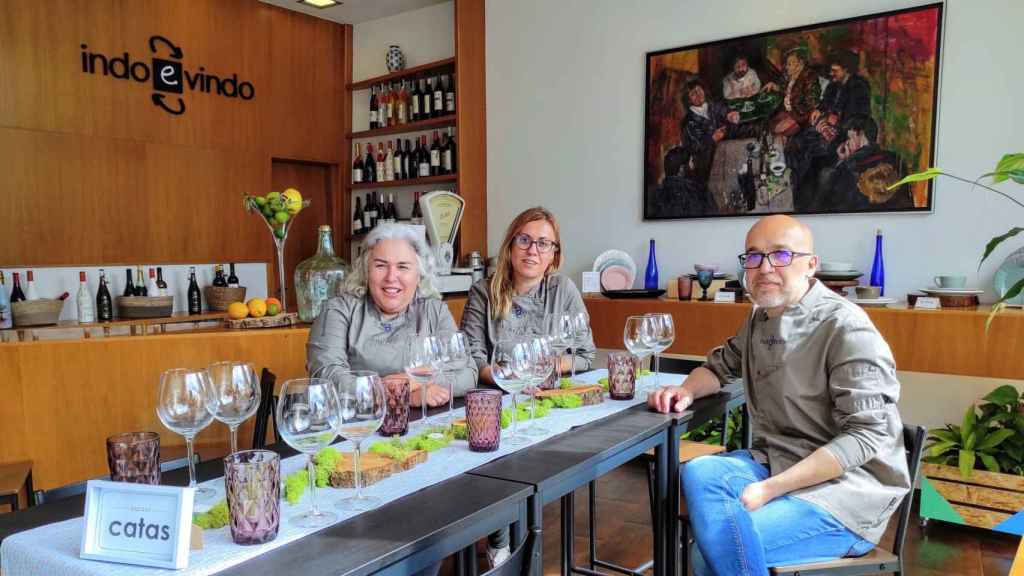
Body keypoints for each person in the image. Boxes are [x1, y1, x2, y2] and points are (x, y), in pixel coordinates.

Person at [649, 215, 910, 575]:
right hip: (779, 461)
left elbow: (867, 435)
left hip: (846, 495)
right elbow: (717, 366)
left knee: (707, 555)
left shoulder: (846, 327)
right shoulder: (760, 318)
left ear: (811, 265)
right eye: (754, 257)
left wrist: (771, 489)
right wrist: (685, 389)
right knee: (699, 471)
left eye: (781, 255)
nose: (765, 267)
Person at [460, 206, 595, 565]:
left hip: (547, 401)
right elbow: (471, 359)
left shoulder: (562, 290)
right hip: (497, 401)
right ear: (510, 245)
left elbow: (584, 354)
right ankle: (501, 545)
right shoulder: (482, 292)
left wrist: (549, 367)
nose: (532, 250)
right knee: (498, 454)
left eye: (543, 243)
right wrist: (510, 379)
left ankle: (511, 541)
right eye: (524, 240)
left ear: (554, 254)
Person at [307, 222, 477, 410]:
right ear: (366, 269)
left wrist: (412, 380)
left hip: (420, 427)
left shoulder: (434, 310)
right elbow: (326, 376)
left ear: (419, 274)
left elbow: (467, 373)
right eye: (381, 265)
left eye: (403, 267)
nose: (391, 277)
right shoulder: (338, 310)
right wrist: (405, 394)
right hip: (355, 426)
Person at [813, 115, 910, 212]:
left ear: (859, 133)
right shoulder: (892, 156)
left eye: (850, 138)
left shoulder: (851, 168)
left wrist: (844, 162)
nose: (846, 142)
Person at [679, 79, 747, 183]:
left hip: (722, 148)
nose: (698, 94)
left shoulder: (710, 105)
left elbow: (722, 109)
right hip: (705, 161)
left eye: (699, 89)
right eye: (693, 93)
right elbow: (695, 147)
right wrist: (712, 139)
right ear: (688, 100)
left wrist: (730, 115)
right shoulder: (688, 122)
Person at [762, 48, 820, 138]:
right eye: (787, 64)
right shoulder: (792, 76)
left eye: (789, 64)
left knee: (776, 132)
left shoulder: (810, 77)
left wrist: (792, 115)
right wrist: (775, 86)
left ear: (800, 64)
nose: (786, 67)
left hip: (799, 117)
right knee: (768, 125)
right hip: (788, 111)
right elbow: (788, 90)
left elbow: (811, 103)